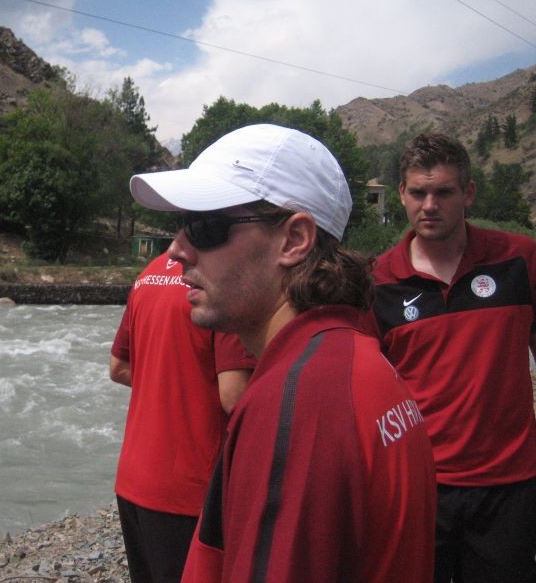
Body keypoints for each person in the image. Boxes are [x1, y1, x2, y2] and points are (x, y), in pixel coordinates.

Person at [128, 123, 436, 583]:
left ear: (294, 240)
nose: (177, 250)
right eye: (181, 226)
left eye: (205, 227)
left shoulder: (299, 403)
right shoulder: (352, 360)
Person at [366, 132, 536, 583]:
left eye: (443, 192)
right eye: (418, 193)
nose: (429, 205)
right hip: (419, 486)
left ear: (469, 193)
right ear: (401, 193)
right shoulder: (378, 283)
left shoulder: (520, 260)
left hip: (509, 486)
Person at [110, 251, 255, 583]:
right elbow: (234, 395)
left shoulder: (149, 272)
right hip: (191, 489)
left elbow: (118, 367)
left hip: (134, 479)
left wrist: (171, 385)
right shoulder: (221, 279)